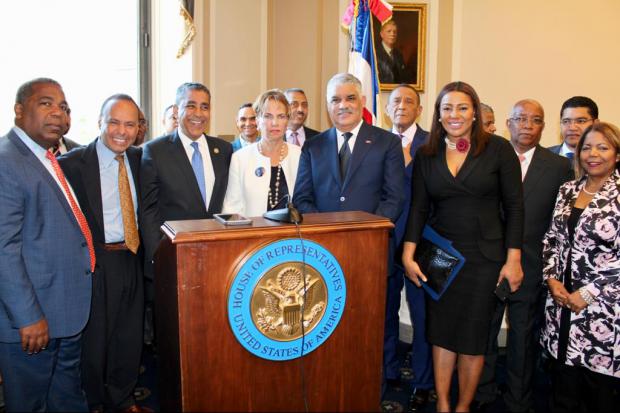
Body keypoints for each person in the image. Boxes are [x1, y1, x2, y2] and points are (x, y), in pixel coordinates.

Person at [401, 81, 524, 412]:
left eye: (462, 108)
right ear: (438, 115)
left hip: (485, 260)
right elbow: (418, 208)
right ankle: (443, 404)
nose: (454, 115)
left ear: (474, 113)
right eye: (447, 108)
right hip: (440, 257)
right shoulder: (426, 153)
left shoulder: (498, 149)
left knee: (472, 339)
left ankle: (463, 407)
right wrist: (408, 252)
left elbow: (515, 207)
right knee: (441, 335)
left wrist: (514, 260)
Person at [0, 78, 94, 411]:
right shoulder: (6, 161)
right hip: (33, 323)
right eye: (46, 103)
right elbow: (3, 250)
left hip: (64, 315)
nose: (58, 113)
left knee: (66, 400)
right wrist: (27, 317)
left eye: (65, 107)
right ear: (19, 110)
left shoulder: (46, 157)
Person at [475, 99, 573, 412]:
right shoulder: (488, 158)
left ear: (544, 127)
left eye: (535, 120)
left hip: (531, 264)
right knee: (484, 333)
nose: (527, 125)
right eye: (520, 119)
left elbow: (560, 223)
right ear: (509, 123)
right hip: (488, 262)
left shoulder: (559, 167)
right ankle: (483, 392)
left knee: (522, 337)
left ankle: (519, 400)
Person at [58, 94, 150, 412]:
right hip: (95, 262)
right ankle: (94, 401)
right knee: (95, 340)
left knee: (129, 335)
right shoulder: (71, 165)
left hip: (132, 256)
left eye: (129, 124)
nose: (121, 131)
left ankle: (123, 399)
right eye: (114, 122)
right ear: (100, 122)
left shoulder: (142, 159)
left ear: (139, 128)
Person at [542, 121, 620, 412]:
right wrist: (551, 279)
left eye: (603, 147)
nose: (593, 154)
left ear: (616, 154)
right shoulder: (567, 190)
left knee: (598, 393)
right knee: (563, 384)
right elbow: (551, 238)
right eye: (587, 147)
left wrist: (588, 293)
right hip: (561, 302)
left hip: (604, 309)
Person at [141, 82, 232, 278]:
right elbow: (148, 211)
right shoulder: (155, 151)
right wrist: (159, 255)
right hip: (174, 257)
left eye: (205, 107)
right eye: (191, 105)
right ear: (176, 110)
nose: (198, 113)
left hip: (218, 256)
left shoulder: (223, 150)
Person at [293, 72, 405, 222]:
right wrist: (325, 229)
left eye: (350, 98)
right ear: (328, 106)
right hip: (323, 240)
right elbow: (301, 199)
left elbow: (394, 199)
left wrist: (364, 230)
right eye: (335, 100)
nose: (343, 105)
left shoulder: (388, 142)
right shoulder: (312, 147)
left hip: (371, 238)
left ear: (363, 101)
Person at [383, 84, 434, 411]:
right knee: (384, 314)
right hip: (384, 242)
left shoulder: (433, 143)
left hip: (421, 244)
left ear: (418, 109)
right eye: (396, 101)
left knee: (423, 317)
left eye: (409, 101)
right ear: (388, 108)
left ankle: (423, 381)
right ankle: (386, 371)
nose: (402, 106)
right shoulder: (374, 141)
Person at [223, 90, 301, 217]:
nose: (274, 123)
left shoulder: (299, 155)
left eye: (281, 116)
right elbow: (232, 210)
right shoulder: (240, 159)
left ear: (287, 121)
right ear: (257, 121)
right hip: (253, 234)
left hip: (293, 235)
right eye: (268, 116)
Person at [375, 20, 411, 84]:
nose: (392, 34)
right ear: (381, 34)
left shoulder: (399, 55)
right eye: (389, 31)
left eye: (395, 32)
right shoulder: (375, 53)